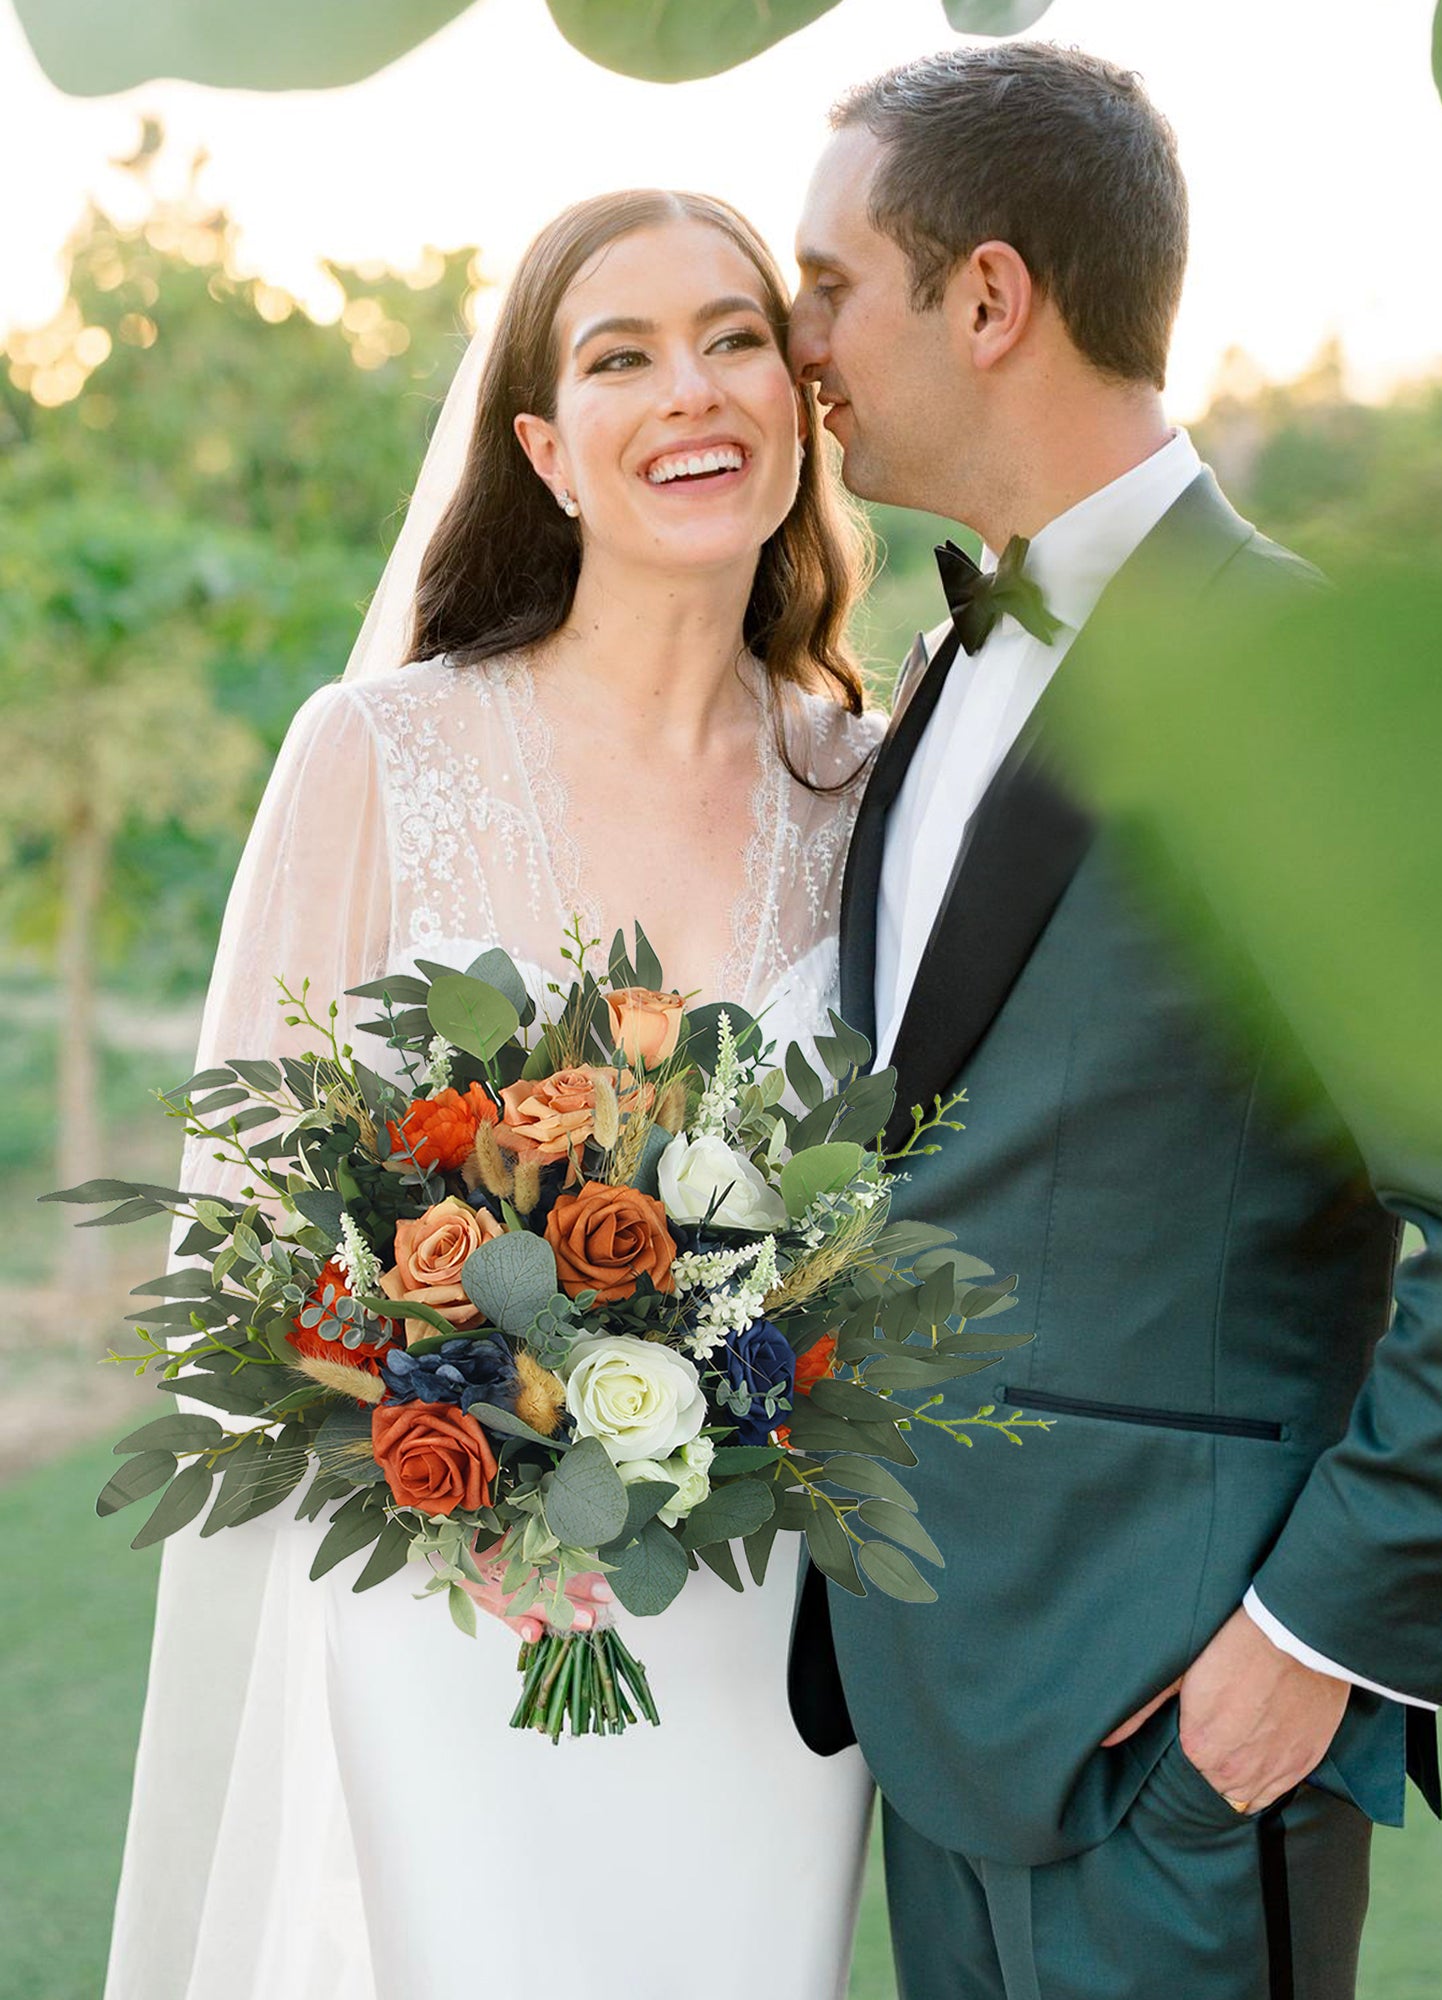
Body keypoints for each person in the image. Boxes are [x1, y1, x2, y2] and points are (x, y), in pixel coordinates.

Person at [105, 189, 880, 2000]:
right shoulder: (380, 752)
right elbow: (248, 1225)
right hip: (458, 1601)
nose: (689, 390)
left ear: (799, 396)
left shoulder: (875, 784)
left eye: (735, 335)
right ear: (544, 445)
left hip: (758, 1626)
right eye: (621, 357)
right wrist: (471, 1427)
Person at [786, 42, 1442, 2000]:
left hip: (1177, 1743)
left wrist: (1314, 1636)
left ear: (990, 298)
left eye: (830, 283)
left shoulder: (1298, 685)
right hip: (940, 1709)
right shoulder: (939, 659)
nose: (799, 342)